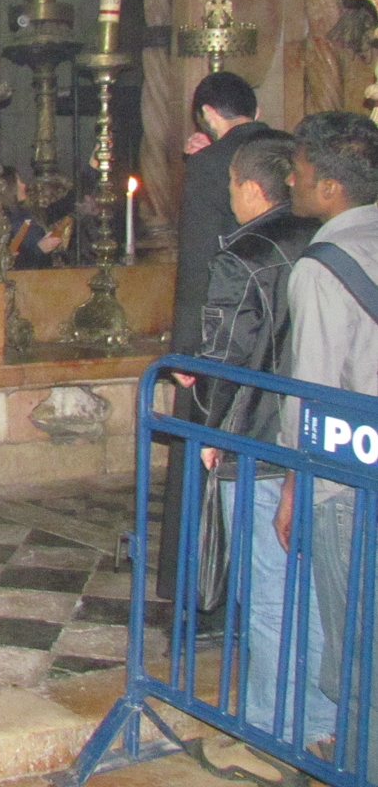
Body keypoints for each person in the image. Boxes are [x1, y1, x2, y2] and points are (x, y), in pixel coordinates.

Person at [191, 132, 328, 740]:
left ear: (250, 188)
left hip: (259, 436)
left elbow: (227, 355)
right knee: (319, 586)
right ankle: (323, 717)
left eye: (230, 185)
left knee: (269, 588)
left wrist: (211, 429)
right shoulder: (325, 239)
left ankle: (274, 723)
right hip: (325, 434)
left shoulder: (245, 254)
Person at [271, 112, 378, 768]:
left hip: (348, 475)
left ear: (331, 187)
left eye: (300, 171)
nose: (291, 180)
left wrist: (293, 488)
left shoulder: (321, 267)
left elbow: (310, 393)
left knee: (356, 641)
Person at [160, 72, 270, 599]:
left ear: (205, 114)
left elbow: (199, 263)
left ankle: (196, 579)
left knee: (203, 454)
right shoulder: (287, 152)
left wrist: (186, 351)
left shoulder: (210, 165)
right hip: (278, 331)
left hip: (222, 329)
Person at [2, 168, 62, 270]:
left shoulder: (26, 214)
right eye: (18, 182)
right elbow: (16, 259)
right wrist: (39, 249)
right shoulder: (4, 221)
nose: (24, 185)